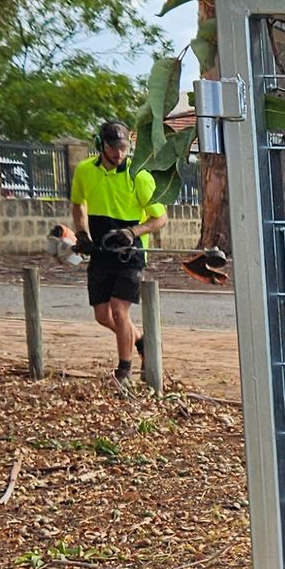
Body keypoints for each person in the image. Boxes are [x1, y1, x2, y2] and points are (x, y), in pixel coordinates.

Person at [68, 121, 169, 383]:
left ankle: (124, 371)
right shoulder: (84, 171)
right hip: (101, 251)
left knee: (118, 311)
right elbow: (78, 205)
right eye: (113, 148)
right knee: (102, 315)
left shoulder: (139, 176)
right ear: (101, 146)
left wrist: (134, 232)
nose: (119, 154)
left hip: (130, 253)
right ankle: (143, 343)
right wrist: (82, 234)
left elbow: (160, 218)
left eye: (123, 148)